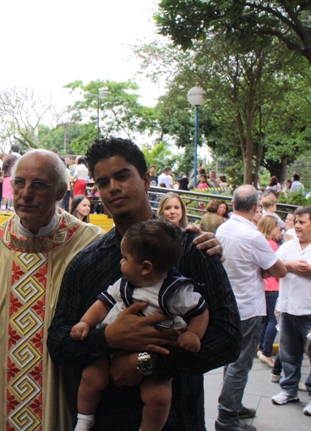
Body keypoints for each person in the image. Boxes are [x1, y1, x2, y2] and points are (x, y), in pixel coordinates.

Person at [48, 137, 240, 431]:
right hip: (107, 422)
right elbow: (59, 343)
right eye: (103, 182)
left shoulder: (193, 250)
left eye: (122, 176)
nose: (113, 187)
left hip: (178, 420)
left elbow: (229, 339)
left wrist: (146, 362)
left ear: (146, 179)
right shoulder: (86, 264)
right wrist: (108, 338)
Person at [0, 149, 106, 431]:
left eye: (38, 185)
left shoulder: (90, 244)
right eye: (20, 183)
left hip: (62, 388)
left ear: (61, 191)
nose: (26, 194)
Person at [70, 220, 209, 431]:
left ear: (145, 267)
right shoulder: (124, 284)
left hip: (154, 355)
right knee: (91, 378)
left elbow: (200, 311)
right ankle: (84, 420)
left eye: (125, 258)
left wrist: (193, 333)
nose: (120, 262)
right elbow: (102, 304)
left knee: (158, 397)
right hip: (111, 348)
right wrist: (85, 322)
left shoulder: (175, 291)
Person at [214, 185, 286, 431]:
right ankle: (227, 417)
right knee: (241, 363)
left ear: (233, 204)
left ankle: (232, 404)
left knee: (232, 360)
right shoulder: (252, 236)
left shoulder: (223, 229)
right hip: (248, 307)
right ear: (256, 207)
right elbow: (279, 269)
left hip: (228, 305)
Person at [270, 206, 311, 417]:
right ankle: (289, 390)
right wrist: (291, 265)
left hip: (308, 310)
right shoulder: (288, 246)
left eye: (302, 222)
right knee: (289, 354)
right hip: (287, 309)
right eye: (296, 222)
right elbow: (274, 266)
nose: (297, 226)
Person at [256, 216, 283, 369]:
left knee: (265, 320)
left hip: (263, 287)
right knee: (273, 320)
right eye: (276, 226)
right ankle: (266, 351)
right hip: (273, 286)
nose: (278, 229)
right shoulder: (272, 245)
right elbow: (277, 267)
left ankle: (262, 346)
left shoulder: (261, 243)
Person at [1, 144, 21, 210]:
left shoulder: (9, 156)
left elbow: (5, 164)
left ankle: (4, 206)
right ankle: (12, 206)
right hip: (16, 176)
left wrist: (2, 172)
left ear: (12, 150)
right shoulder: (20, 157)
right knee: (13, 192)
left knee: (6, 190)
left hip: (8, 175)